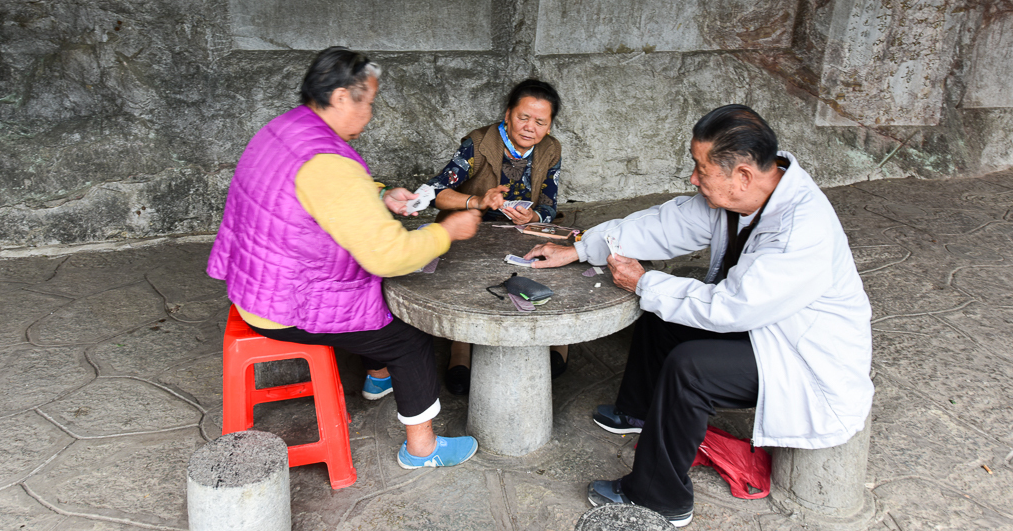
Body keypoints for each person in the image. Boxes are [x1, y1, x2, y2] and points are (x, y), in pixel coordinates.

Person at [524, 105, 874, 527]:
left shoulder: (801, 228)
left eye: (699, 166)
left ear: (742, 174)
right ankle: (641, 412)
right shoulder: (743, 194)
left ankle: (659, 498)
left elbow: (732, 307)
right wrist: (579, 249)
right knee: (660, 311)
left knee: (691, 368)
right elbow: (661, 225)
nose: (693, 177)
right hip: (761, 327)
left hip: (802, 358)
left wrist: (644, 283)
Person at [207, 46, 484, 469]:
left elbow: (323, 200)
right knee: (409, 335)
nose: (370, 114)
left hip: (256, 285)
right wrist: (446, 230)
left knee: (371, 294)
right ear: (340, 97)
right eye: (368, 102)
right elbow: (389, 256)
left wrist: (378, 194)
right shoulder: (328, 163)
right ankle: (422, 449)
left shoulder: (284, 129)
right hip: (282, 306)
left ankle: (377, 379)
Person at [420, 79, 567, 394]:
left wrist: (535, 216)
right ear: (507, 114)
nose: (530, 128)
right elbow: (434, 193)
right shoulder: (479, 143)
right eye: (523, 117)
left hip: (520, 231)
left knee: (555, 261)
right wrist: (476, 202)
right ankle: (461, 348)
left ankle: (558, 342)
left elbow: (550, 205)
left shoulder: (551, 149)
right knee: (467, 279)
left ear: (550, 125)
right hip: (471, 228)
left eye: (541, 122)